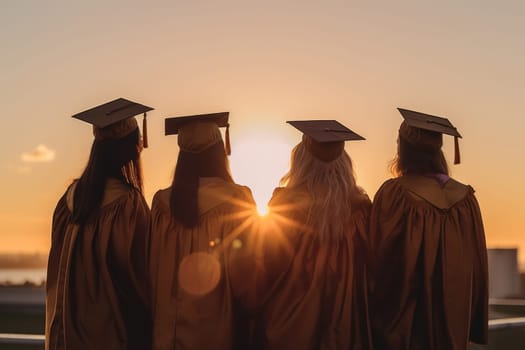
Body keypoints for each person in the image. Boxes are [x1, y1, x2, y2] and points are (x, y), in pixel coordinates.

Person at [368, 108, 488, 350]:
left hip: (408, 321)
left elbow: (378, 259)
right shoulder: (465, 199)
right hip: (453, 321)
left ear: (403, 149)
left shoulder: (395, 194)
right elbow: (478, 264)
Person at [247, 120, 373, 350]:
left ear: (300, 161)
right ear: (344, 163)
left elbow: (265, 263)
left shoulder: (285, 205)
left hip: (289, 324)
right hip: (344, 326)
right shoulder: (361, 208)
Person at [45, 98, 154, 350]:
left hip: (65, 333)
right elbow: (141, 276)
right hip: (109, 334)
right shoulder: (127, 203)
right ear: (131, 148)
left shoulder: (70, 198)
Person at [149, 112, 258, 350]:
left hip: (166, 334)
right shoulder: (237, 199)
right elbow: (245, 276)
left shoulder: (161, 203)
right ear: (220, 153)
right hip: (217, 333)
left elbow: (151, 269)